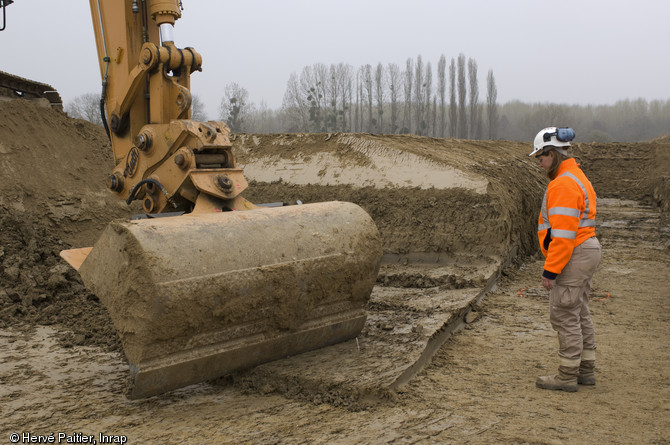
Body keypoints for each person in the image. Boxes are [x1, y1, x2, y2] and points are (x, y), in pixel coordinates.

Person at [529, 127, 602, 392]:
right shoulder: (576, 176)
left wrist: (550, 270)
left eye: (541, 156)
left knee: (564, 313)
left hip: (575, 252)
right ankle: (585, 370)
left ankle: (567, 376)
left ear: (553, 153)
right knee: (578, 310)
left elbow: (562, 235)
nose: (539, 162)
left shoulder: (563, 183)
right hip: (586, 250)